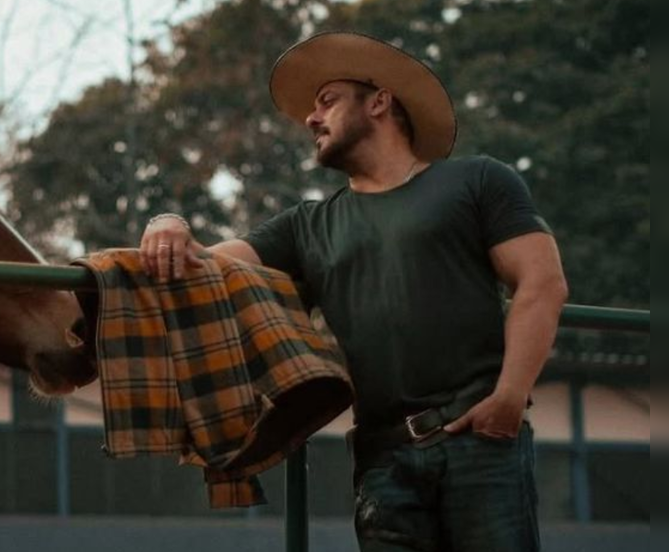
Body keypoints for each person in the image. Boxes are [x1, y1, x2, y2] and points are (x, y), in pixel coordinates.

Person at [138, 31, 568, 551]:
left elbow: (542, 282)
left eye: (327, 101)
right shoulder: (306, 225)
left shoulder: (478, 181)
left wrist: (509, 397)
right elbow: (201, 265)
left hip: (479, 438)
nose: (311, 119)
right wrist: (168, 222)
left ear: (380, 101)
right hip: (381, 457)